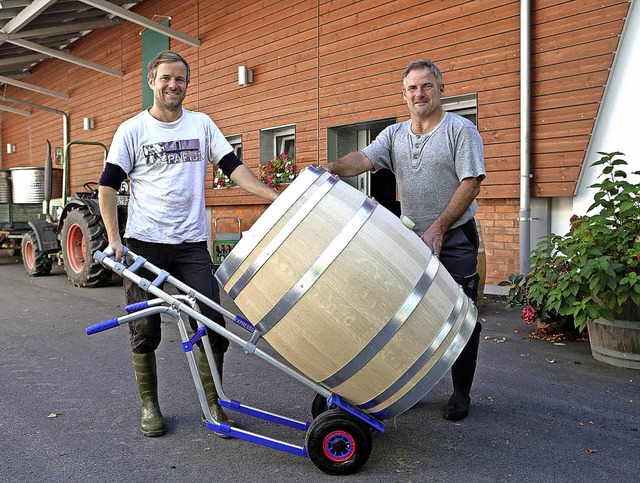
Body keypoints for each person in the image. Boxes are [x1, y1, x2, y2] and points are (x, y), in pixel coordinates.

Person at [98, 50, 278, 437]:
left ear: (187, 84)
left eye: (180, 79)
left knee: (212, 322)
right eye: (165, 78)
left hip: (191, 244)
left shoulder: (201, 124)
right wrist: (114, 238)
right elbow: (108, 186)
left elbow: (233, 169)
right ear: (151, 81)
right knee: (145, 328)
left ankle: (214, 403)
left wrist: (273, 196)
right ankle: (149, 405)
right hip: (144, 245)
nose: (172, 85)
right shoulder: (132, 130)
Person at [326, 59, 486, 421]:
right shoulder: (395, 135)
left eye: (427, 86)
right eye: (412, 88)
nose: (420, 93)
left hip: (455, 236)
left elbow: (471, 182)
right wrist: (332, 168)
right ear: (404, 95)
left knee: (463, 317)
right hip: (413, 240)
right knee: (410, 316)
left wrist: (439, 227)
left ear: (441, 90)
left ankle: (461, 394)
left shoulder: (460, 130)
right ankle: (411, 388)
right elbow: (363, 159)